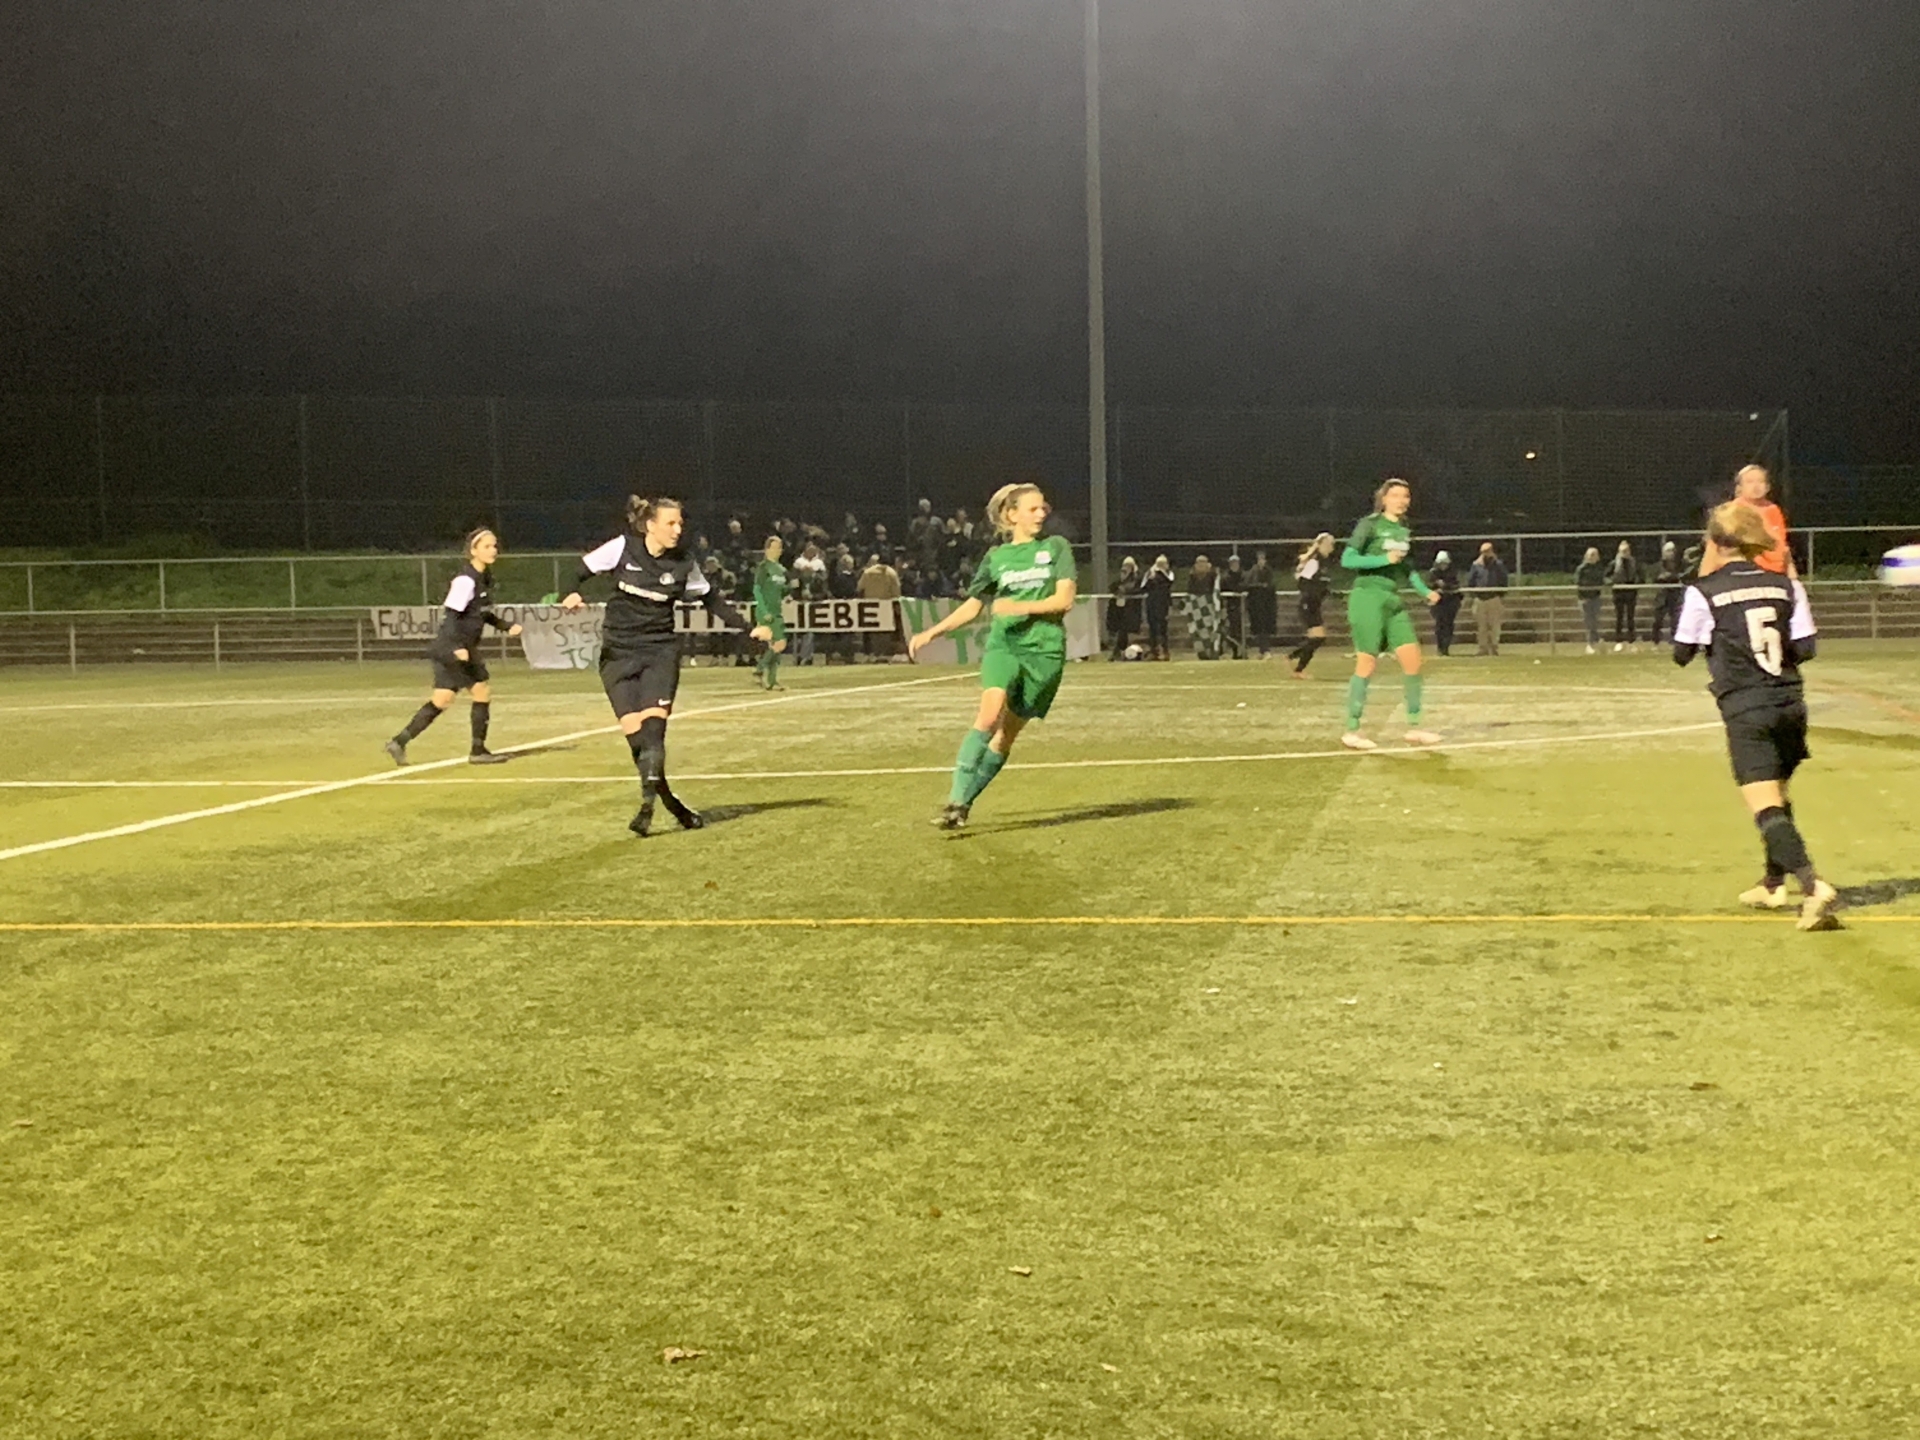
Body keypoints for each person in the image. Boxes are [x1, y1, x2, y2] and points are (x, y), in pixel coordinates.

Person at [559, 495, 772, 837]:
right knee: (638, 741)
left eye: (680, 523)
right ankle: (672, 804)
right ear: (650, 525)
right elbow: (579, 572)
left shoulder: (684, 563)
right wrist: (569, 593)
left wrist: (748, 630)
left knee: (654, 733)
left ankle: (646, 808)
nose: (677, 529)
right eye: (670, 523)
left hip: (659, 652)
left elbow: (712, 600)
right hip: (617, 654)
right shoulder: (623, 548)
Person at [1673, 501, 1837, 930]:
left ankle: (1813, 887)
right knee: (1777, 794)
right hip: (1790, 704)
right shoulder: (1785, 585)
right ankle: (1772, 884)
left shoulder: (1703, 591)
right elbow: (1806, 648)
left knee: (1765, 806)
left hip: (1747, 707)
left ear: (1714, 542)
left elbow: (1681, 653)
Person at [909, 483, 1077, 829]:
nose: (1042, 514)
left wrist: (1018, 606)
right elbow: (973, 606)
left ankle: (964, 806)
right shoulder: (996, 558)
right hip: (1005, 646)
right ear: (1011, 515)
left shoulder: (1056, 547)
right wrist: (932, 632)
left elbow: (1064, 601)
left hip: (1045, 653)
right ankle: (954, 799)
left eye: (1043, 508)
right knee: (988, 716)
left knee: (1005, 735)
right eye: (1033, 509)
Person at [386, 526, 524, 766]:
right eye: (487, 546)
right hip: (454, 647)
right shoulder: (465, 580)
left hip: (461, 647)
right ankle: (478, 751)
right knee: (480, 692)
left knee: (443, 699)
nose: (493, 550)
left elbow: (482, 613)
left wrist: (506, 626)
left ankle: (399, 742)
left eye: (494, 546)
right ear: (473, 550)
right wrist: (456, 647)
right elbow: (451, 617)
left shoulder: (484, 578)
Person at [1339, 480, 1441, 749]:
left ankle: (1414, 727)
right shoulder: (1369, 524)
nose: (1401, 500)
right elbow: (1347, 559)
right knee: (1366, 663)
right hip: (1367, 598)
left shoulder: (1404, 529)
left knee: (1413, 660)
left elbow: (1407, 568)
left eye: (1405, 496)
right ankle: (1352, 730)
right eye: (1395, 495)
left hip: (1392, 599)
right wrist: (1383, 559)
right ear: (1383, 499)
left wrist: (1425, 591)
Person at [1730, 463, 1795, 577]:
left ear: (1768, 486)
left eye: (1760, 481)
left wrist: (1791, 572)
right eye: (1750, 482)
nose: (1756, 486)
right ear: (1739, 487)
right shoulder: (1733, 510)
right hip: (1745, 570)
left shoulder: (1773, 509)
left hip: (1775, 570)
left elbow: (1781, 542)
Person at [1287, 533, 1335, 676]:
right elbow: (1303, 582)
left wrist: (1330, 593)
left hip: (1314, 605)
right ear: (1320, 545)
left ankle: (1293, 659)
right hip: (1308, 604)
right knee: (1318, 638)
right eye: (1329, 544)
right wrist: (1311, 596)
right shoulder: (1314, 561)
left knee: (1318, 639)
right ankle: (1296, 667)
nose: (1332, 547)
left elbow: (1320, 585)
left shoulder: (1323, 563)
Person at [751, 535, 790, 690]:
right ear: (766, 550)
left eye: (779, 548)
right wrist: (763, 610)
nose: (777, 551)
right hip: (766, 612)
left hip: (777, 611)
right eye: (773, 547)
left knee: (775, 648)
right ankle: (759, 669)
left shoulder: (781, 570)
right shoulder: (763, 568)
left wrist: (789, 589)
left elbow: (781, 591)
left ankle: (772, 681)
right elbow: (757, 590)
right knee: (780, 643)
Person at [857, 551, 902, 659]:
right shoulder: (891, 573)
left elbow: (860, 587)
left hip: (869, 605)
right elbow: (896, 592)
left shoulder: (868, 572)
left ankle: (873, 653)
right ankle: (884, 653)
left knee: (872, 630)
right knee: (885, 630)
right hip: (886, 605)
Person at [791, 541, 829, 666]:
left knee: (809, 631)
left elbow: (823, 588)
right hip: (799, 604)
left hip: (814, 604)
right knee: (798, 631)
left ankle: (806, 656)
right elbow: (793, 584)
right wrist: (797, 596)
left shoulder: (820, 567)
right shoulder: (798, 564)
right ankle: (798, 655)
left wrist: (813, 596)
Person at [1466, 542, 1508, 655]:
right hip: (1480, 599)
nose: (1485, 555)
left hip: (1493, 598)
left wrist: (1501, 594)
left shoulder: (1498, 565)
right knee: (1482, 626)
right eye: (1483, 552)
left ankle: (1494, 647)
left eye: (1487, 552)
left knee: (1495, 625)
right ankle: (1482, 648)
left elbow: (1504, 580)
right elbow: (1471, 581)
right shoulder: (1476, 565)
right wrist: (1473, 595)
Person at [1186, 555, 1224, 660]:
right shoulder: (1192, 577)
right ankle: (1202, 652)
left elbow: (1216, 592)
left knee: (1212, 630)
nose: (1201, 565)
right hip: (1197, 609)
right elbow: (1190, 593)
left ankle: (1214, 650)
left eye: (1203, 563)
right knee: (1198, 631)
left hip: (1210, 608)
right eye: (1199, 563)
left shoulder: (1213, 576)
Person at [1606, 540, 1642, 650]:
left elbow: (1641, 576)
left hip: (1631, 591)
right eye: (1622, 551)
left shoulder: (1634, 563)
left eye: (1626, 550)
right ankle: (1618, 641)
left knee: (1631, 617)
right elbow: (1606, 576)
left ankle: (1631, 641)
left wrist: (1637, 583)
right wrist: (1611, 582)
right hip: (1619, 591)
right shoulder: (1614, 563)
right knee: (1619, 617)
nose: (1625, 553)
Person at [1428, 549, 1463, 656]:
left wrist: (1445, 586)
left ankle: (1446, 647)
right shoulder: (1433, 573)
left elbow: (1456, 586)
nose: (1443, 565)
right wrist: (1436, 589)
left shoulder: (1453, 572)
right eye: (1441, 563)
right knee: (1439, 625)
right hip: (1438, 603)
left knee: (1449, 625)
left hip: (1451, 601)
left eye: (1445, 563)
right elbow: (1429, 586)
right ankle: (1440, 647)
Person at [1107, 555, 1142, 660]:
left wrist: (1126, 590)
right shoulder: (1119, 581)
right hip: (1119, 609)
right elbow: (1113, 587)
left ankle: (1120, 651)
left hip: (1130, 609)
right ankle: (1118, 651)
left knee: (1124, 630)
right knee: (1119, 630)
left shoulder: (1136, 580)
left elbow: (1137, 589)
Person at [1650, 541, 1684, 643]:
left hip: (1674, 594)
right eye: (1668, 551)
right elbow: (1653, 578)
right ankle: (1655, 638)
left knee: (1675, 618)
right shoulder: (1659, 565)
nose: (1671, 553)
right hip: (1662, 594)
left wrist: (1672, 576)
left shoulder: (1678, 564)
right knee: (1658, 618)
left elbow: (1681, 575)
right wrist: (1661, 577)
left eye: (1672, 551)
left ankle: (1675, 638)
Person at [1245, 550, 1278, 658]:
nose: (1261, 561)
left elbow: (1271, 586)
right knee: (1258, 627)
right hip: (1256, 604)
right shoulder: (1252, 571)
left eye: (1263, 558)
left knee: (1265, 627)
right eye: (1259, 559)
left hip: (1267, 604)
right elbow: (1248, 584)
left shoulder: (1268, 571)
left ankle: (1265, 649)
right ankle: (1262, 650)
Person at [1143, 555, 1175, 661]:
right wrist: (1151, 577)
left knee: (1163, 629)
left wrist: (1160, 574)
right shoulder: (1149, 574)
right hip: (1151, 603)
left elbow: (1169, 583)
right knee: (1152, 628)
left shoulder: (1169, 574)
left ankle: (1165, 651)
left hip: (1163, 603)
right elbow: (1144, 587)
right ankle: (1154, 651)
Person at [1574, 547, 1605, 654]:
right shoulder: (1581, 569)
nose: (1592, 557)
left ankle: (1596, 641)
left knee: (1595, 621)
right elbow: (1577, 581)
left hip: (1595, 598)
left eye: (1594, 555)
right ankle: (1590, 644)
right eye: (1591, 555)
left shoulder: (1598, 569)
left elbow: (1602, 580)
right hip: (1584, 599)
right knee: (1589, 622)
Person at [1219, 555, 1249, 658]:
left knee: (1240, 630)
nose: (1234, 565)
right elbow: (1222, 591)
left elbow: (1245, 587)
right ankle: (1235, 650)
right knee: (1229, 630)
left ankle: (1242, 650)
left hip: (1242, 606)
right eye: (1232, 563)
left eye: (1236, 563)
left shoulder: (1244, 576)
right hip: (1229, 606)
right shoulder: (1225, 577)